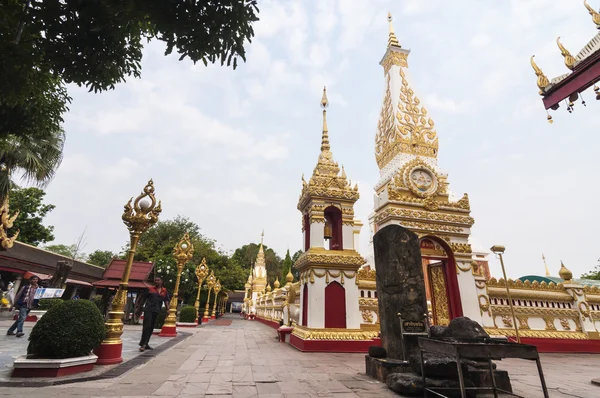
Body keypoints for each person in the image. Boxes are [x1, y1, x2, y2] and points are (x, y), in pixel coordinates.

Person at [137, 276, 169, 352]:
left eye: (158, 280)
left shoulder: (164, 291)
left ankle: (146, 343)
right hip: (148, 309)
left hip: (157, 310)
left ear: (162, 281)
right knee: (146, 326)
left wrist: (168, 309)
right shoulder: (150, 289)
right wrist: (140, 307)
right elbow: (143, 299)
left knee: (151, 327)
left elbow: (166, 300)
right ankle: (143, 344)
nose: (156, 281)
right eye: (156, 280)